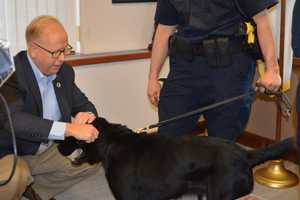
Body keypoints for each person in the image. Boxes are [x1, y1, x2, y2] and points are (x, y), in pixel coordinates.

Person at [147, 0, 282, 141]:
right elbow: (164, 29)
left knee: (222, 145)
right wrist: (153, 77)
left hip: (229, 71)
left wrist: (272, 69)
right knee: (168, 139)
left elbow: (262, 21)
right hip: (185, 70)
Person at [0, 15, 100, 200]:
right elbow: (16, 121)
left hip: (46, 149)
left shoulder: (64, 72)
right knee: (15, 178)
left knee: (93, 161)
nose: (62, 58)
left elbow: (85, 105)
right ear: (33, 50)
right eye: (55, 52)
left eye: (65, 49)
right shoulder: (11, 74)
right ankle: (22, 182)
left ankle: (33, 190)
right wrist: (69, 128)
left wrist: (84, 116)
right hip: (10, 151)